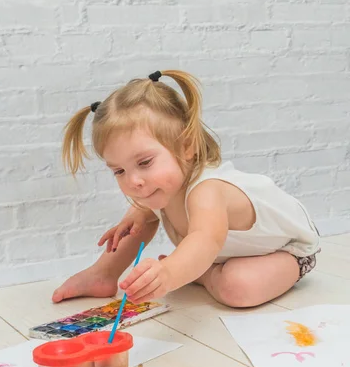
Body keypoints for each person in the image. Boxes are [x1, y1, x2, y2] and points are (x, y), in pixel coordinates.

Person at [52, 70, 320, 309]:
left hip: (288, 252)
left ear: (187, 145)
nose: (133, 181)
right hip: (232, 255)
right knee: (138, 220)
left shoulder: (208, 190)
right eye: (119, 171)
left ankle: (203, 274)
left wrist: (168, 273)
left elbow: (205, 239)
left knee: (237, 287)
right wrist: (134, 216)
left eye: (144, 162)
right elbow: (143, 213)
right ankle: (104, 273)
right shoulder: (161, 186)